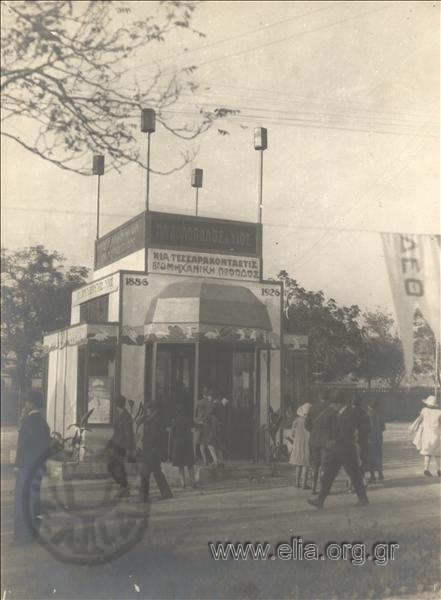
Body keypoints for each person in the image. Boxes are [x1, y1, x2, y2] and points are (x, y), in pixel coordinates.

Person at [307, 392, 369, 509]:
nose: (331, 407)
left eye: (333, 405)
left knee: (354, 474)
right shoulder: (337, 414)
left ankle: (363, 498)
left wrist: (336, 441)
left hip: (346, 449)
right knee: (328, 475)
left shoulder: (350, 413)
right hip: (337, 449)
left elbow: (347, 431)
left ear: (339, 404)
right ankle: (320, 501)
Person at [14, 391, 51, 542]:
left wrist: (18, 465)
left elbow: (22, 447)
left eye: (27, 402)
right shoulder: (43, 423)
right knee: (34, 499)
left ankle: (23, 535)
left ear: (32, 404)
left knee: (22, 500)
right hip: (37, 469)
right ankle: (34, 532)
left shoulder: (28, 423)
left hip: (26, 468)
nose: (25, 404)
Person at [140, 402, 173, 501]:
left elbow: (153, 436)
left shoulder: (155, 420)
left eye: (148, 409)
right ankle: (166, 493)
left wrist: (143, 441)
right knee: (154, 472)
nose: (147, 411)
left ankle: (144, 496)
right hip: (151, 450)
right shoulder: (151, 419)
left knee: (148, 472)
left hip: (152, 450)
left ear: (153, 409)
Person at [304, 391, 334, 495]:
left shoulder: (312, 408)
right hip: (327, 440)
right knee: (324, 466)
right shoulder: (331, 410)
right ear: (328, 398)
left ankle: (313, 488)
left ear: (319, 397)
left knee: (314, 465)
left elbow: (306, 425)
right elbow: (334, 427)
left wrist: (314, 431)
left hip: (314, 439)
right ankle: (323, 489)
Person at [106, 394, 135, 495]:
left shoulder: (126, 416)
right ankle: (124, 486)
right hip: (117, 445)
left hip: (122, 447)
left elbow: (129, 434)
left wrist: (128, 449)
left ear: (117, 405)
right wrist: (109, 443)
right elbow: (117, 433)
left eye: (115, 404)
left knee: (115, 466)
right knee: (115, 466)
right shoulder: (120, 416)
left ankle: (124, 486)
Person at [410, 395, 441, 477]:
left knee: (427, 452)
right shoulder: (439, 412)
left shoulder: (424, 410)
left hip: (426, 434)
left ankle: (426, 469)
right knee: (438, 453)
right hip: (436, 434)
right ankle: (439, 470)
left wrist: (415, 428)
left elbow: (419, 420)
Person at [170, 402, 196, 488]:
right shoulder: (188, 419)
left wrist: (171, 446)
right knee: (190, 464)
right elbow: (194, 426)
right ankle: (193, 482)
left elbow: (172, 433)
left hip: (178, 444)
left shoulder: (174, 420)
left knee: (180, 465)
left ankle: (183, 483)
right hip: (187, 443)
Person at [289, 403, 312, 489]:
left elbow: (292, 434)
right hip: (307, 444)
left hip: (298, 444)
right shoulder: (310, 421)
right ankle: (304, 484)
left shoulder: (296, 421)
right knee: (306, 464)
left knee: (298, 464)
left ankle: (297, 483)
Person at [195, 387, 218, 466]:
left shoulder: (199, 402)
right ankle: (215, 460)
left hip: (199, 423)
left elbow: (196, 414)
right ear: (207, 394)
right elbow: (210, 413)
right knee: (209, 442)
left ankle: (204, 460)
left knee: (201, 443)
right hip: (207, 424)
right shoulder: (209, 403)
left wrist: (198, 420)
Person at [366, 398, 386, 483]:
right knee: (378, 455)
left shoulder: (367, 415)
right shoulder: (380, 415)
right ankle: (380, 473)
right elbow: (383, 428)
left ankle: (372, 476)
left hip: (369, 438)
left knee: (370, 456)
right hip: (378, 437)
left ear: (369, 406)